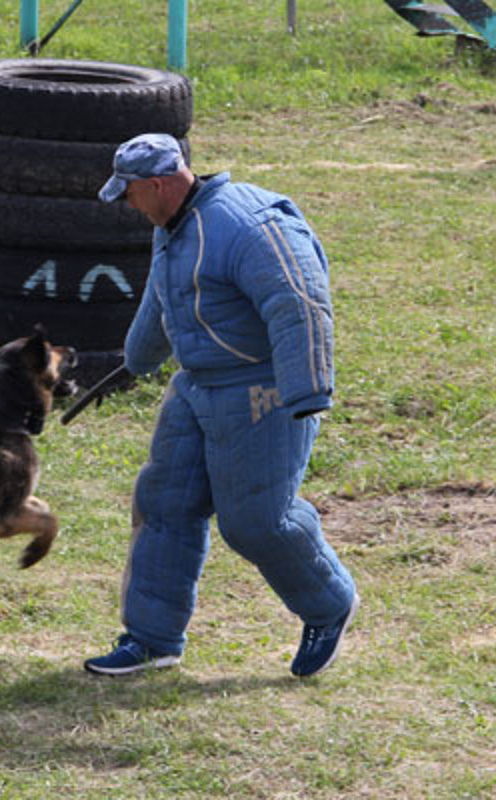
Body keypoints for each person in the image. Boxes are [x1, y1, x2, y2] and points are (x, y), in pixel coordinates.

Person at [83, 133, 359, 678]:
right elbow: (163, 298)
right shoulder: (172, 225)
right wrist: (132, 363)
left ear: (159, 184)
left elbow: (298, 302)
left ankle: (329, 605)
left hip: (263, 391)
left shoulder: (248, 225)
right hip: (198, 385)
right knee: (163, 502)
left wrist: (306, 392)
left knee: (256, 522)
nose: (127, 206)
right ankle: (152, 639)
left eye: (130, 193)